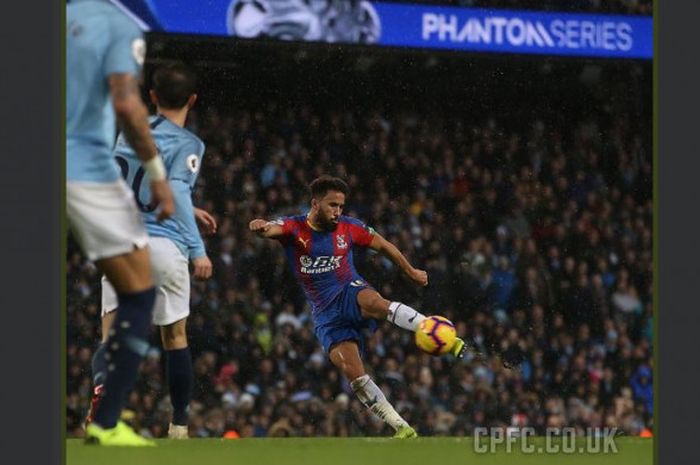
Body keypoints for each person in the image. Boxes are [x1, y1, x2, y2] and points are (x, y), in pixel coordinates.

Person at [249, 176, 468, 438]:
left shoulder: (349, 228)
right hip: (325, 314)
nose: (338, 212)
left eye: (341, 206)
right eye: (332, 205)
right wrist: (260, 227)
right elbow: (271, 228)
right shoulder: (295, 228)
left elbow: (384, 246)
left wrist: (410, 271)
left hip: (348, 289)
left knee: (375, 302)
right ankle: (401, 428)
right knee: (353, 372)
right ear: (315, 203)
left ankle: (442, 335)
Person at [86, 63, 215, 440]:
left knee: (109, 338)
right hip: (162, 245)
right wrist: (198, 249)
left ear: (153, 97)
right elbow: (175, 190)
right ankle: (178, 426)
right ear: (192, 100)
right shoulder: (190, 144)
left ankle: (101, 408)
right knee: (174, 338)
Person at [67, 0, 175, 446]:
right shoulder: (116, 24)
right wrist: (157, 177)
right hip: (82, 167)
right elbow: (128, 104)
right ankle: (106, 422)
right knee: (138, 292)